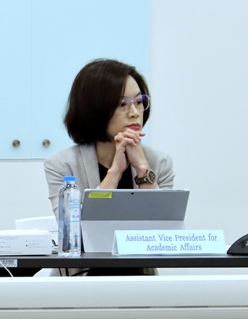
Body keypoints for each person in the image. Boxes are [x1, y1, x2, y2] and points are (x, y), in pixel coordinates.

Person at [44, 58, 175, 211]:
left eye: (139, 102)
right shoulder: (62, 165)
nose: (134, 113)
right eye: (122, 104)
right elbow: (74, 225)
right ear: (94, 110)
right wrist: (115, 172)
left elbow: (163, 222)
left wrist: (142, 169)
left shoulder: (160, 162)